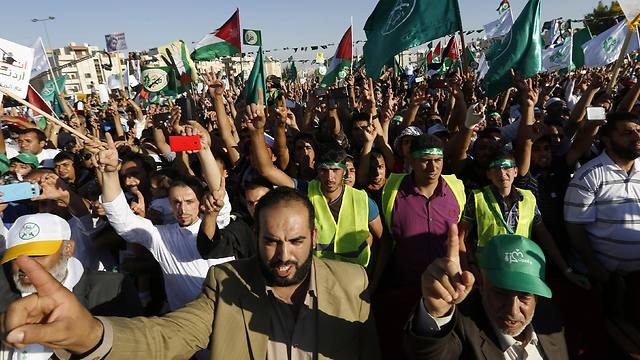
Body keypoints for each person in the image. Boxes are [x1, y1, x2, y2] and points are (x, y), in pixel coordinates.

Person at [2, 187, 380, 359]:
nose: (284, 256)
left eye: (296, 241)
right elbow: (166, 336)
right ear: (254, 235)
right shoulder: (228, 283)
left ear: (314, 237)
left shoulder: (352, 283)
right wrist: (92, 333)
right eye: (271, 241)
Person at [96, 133, 234, 310]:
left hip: (228, 317)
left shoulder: (219, 223)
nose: (182, 209)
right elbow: (123, 222)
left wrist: (204, 151)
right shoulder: (161, 236)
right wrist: (109, 173)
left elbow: (218, 194)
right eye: (176, 202)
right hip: (186, 326)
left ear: (201, 202)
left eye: (189, 202)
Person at [405, 230, 569, 359]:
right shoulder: (462, 325)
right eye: (501, 293)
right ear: (481, 283)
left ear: (537, 297)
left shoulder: (549, 319)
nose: (513, 310)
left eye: (524, 296)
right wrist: (436, 313)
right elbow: (430, 355)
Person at [0, 213, 142, 359]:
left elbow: (134, 348)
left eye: (38, 255)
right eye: (16, 257)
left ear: (68, 248)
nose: (25, 266)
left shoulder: (112, 289)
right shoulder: (2, 286)